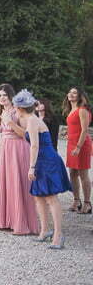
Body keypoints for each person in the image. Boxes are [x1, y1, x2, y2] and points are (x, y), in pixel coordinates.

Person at [16, 90, 72, 249]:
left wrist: (31, 167)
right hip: (41, 160)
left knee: (51, 198)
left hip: (46, 160)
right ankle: (45, 231)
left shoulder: (33, 120)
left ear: (20, 108)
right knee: (38, 196)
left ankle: (58, 235)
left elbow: (34, 145)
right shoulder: (30, 119)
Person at [0, 83, 39, 235]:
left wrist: (10, 122)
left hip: (18, 149)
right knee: (4, 184)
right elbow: (0, 136)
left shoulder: (18, 111)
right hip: (4, 150)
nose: (2, 98)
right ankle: (6, 220)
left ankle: (20, 222)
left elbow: (25, 134)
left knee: (17, 184)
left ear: (11, 96)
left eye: (5, 95)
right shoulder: (1, 112)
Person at [63, 86, 91, 215]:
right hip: (71, 144)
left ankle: (87, 203)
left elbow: (84, 130)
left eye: (75, 93)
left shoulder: (82, 110)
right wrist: (69, 135)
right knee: (73, 173)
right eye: (70, 92)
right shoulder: (71, 109)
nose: (71, 94)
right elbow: (75, 127)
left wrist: (78, 147)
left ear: (80, 96)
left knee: (83, 175)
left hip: (81, 145)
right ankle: (76, 201)